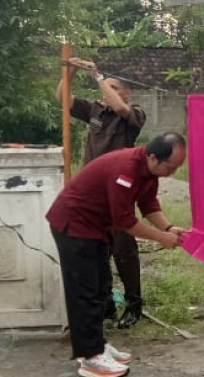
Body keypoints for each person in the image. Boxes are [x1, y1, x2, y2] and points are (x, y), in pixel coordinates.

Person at [46, 132, 188, 377]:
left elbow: (148, 204)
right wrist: (161, 237)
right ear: (153, 157)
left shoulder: (148, 170)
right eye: (170, 167)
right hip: (74, 225)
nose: (172, 173)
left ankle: (97, 345)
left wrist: (168, 227)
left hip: (96, 228)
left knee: (101, 287)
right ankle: (90, 358)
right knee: (85, 292)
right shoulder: (126, 170)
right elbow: (125, 221)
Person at [58, 57, 149, 328]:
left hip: (118, 191)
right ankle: (106, 301)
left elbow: (121, 108)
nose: (104, 93)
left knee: (123, 249)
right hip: (92, 192)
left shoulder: (133, 115)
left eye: (112, 87)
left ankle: (134, 304)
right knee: (98, 248)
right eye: (104, 87)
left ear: (125, 91)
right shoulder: (95, 111)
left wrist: (97, 76)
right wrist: (71, 72)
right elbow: (62, 97)